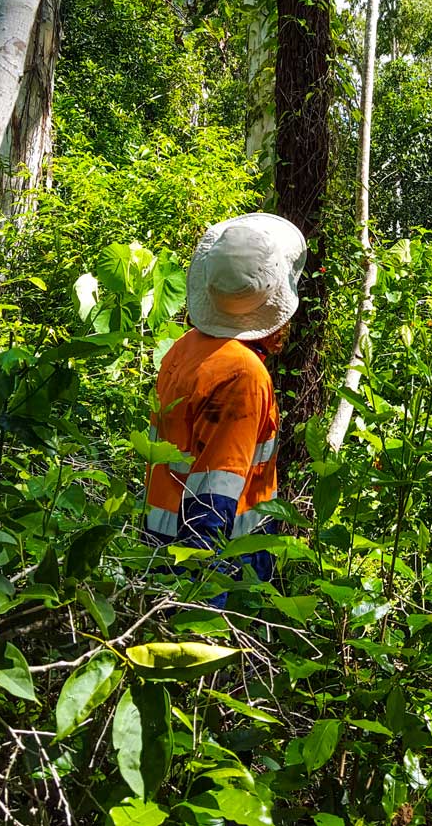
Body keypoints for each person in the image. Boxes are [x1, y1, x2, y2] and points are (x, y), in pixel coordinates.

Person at [144, 212, 307, 596]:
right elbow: (214, 493)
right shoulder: (243, 375)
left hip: (160, 546)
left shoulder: (184, 348)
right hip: (221, 563)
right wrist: (204, 598)